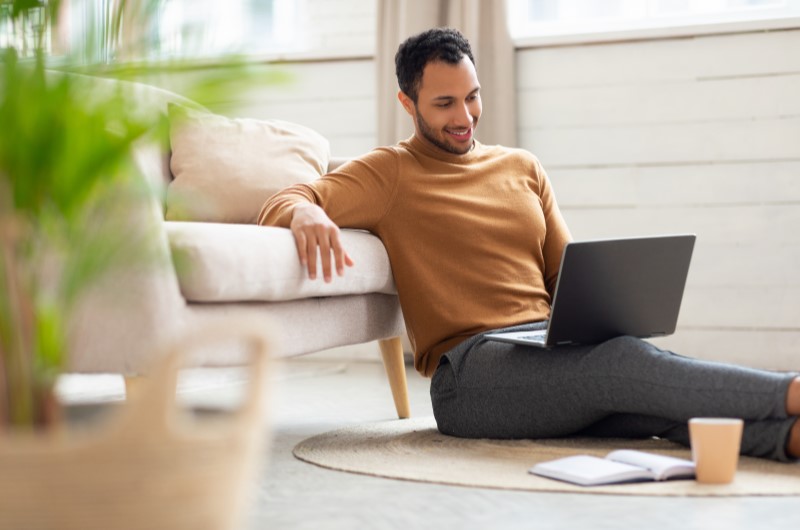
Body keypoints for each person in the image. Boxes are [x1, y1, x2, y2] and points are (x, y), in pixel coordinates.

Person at [258, 27, 800, 462]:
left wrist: (610, 311)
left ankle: (786, 440)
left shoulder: (521, 166)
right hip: (471, 377)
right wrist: (306, 211)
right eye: (444, 103)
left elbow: (566, 276)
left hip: (546, 349)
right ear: (408, 101)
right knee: (623, 365)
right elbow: (284, 199)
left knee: (645, 403)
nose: (464, 117)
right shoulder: (390, 173)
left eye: (472, 97)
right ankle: (790, 391)